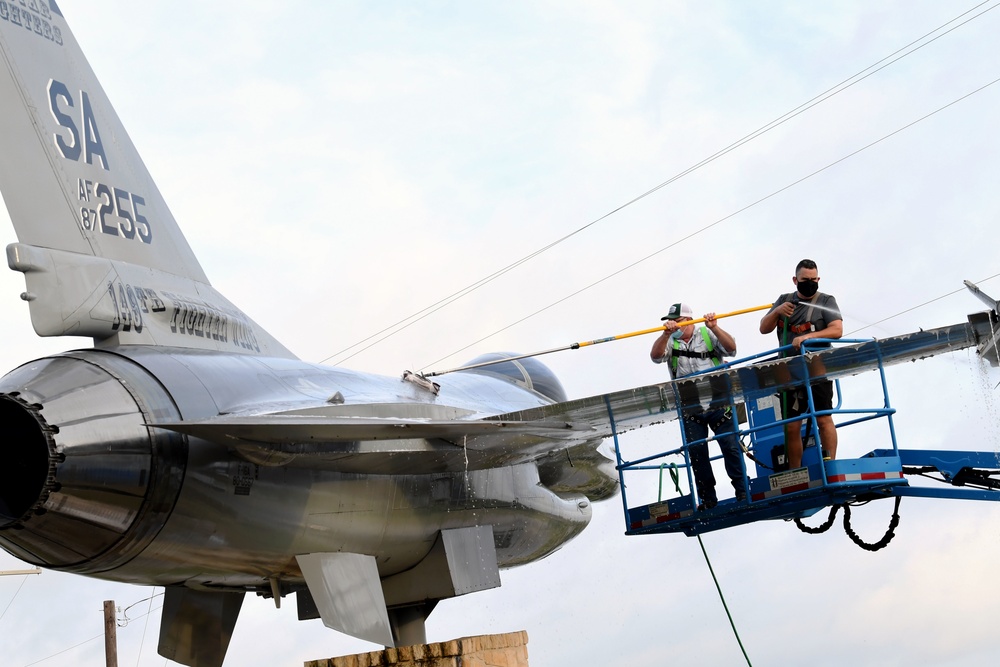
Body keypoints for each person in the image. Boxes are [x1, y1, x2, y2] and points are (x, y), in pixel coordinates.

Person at [651, 302, 746, 509]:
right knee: (697, 454)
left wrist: (715, 327)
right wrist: (666, 335)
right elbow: (655, 357)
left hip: (719, 402)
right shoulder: (670, 341)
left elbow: (732, 350)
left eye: (677, 321)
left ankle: (742, 491)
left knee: (730, 446)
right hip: (690, 407)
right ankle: (707, 499)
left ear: (688, 320)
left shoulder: (706, 333)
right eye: (670, 321)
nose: (673, 325)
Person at [759, 259, 843, 470]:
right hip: (789, 373)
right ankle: (795, 471)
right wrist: (777, 311)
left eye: (814, 280)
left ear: (818, 279)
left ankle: (830, 465)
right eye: (805, 280)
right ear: (795, 280)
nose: (810, 283)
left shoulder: (826, 301)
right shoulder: (783, 300)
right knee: (791, 426)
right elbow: (763, 328)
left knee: (823, 419)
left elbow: (837, 330)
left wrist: (809, 336)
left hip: (817, 370)